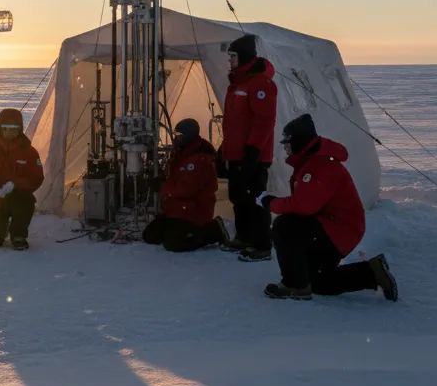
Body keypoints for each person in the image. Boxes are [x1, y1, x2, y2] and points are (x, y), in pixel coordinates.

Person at [258, 114, 398, 301]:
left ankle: (295, 285)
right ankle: (371, 273)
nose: (285, 147)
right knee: (318, 282)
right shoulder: (313, 162)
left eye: (288, 142)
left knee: (284, 225)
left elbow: (304, 205)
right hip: (335, 227)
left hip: (340, 229)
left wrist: (271, 203)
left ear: (299, 141)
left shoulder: (319, 166)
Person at [218, 33, 278, 262]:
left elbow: (264, 121)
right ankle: (243, 237)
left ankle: (262, 244)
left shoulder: (260, 84)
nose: (230, 60)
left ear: (243, 57)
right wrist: (224, 151)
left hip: (253, 156)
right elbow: (234, 124)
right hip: (236, 154)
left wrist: (253, 152)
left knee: (254, 199)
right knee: (238, 197)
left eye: (233, 56)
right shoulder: (238, 83)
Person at [141, 118, 227, 252]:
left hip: (194, 210)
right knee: (150, 236)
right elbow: (174, 177)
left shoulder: (199, 160)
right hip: (177, 208)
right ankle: (176, 228)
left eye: (179, 136)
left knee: (174, 244)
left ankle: (213, 230)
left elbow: (185, 190)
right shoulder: (182, 153)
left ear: (188, 137)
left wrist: (162, 186)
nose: (175, 139)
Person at [0, 108, 45, 250]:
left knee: (26, 201)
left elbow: (36, 177)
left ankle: (18, 234)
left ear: (20, 129)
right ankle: (0, 226)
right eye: (6, 128)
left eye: (14, 129)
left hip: (17, 196)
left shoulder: (28, 151)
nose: (10, 132)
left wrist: (16, 184)